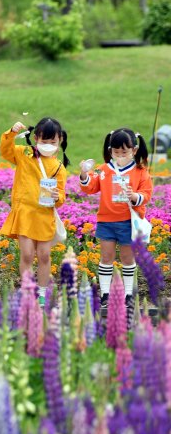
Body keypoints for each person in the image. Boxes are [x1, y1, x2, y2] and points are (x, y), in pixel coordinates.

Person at [79, 127, 153, 319]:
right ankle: (106, 294)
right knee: (106, 257)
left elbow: (146, 194)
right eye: (116, 152)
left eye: (124, 152)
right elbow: (91, 187)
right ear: (110, 150)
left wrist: (135, 196)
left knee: (128, 259)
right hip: (106, 221)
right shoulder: (104, 170)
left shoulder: (140, 171)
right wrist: (84, 176)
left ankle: (128, 294)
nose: (120, 155)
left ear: (134, 151)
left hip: (129, 222)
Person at [0, 118, 69, 305]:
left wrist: (57, 197)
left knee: (45, 255)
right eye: (44, 141)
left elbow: (61, 197)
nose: (48, 145)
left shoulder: (59, 168)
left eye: (52, 142)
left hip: (44, 215)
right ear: (36, 138)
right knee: (27, 254)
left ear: (60, 140)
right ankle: (27, 289)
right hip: (25, 213)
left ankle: (42, 292)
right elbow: (5, 151)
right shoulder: (25, 154)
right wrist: (11, 133)